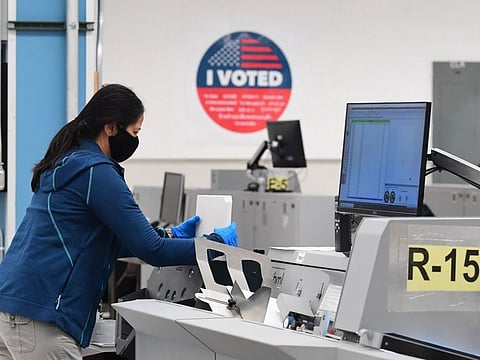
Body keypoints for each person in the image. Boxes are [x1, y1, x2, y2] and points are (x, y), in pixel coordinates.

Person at [0, 84, 238, 359]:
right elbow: (153, 251)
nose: (136, 140)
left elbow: (103, 241)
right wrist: (215, 246)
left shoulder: (68, 162)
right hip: (41, 318)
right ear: (111, 127)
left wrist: (170, 235)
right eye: (135, 132)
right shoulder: (96, 173)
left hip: (15, 305)